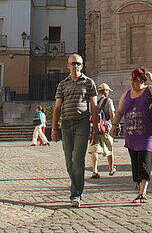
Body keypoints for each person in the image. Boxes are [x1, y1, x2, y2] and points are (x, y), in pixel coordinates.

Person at [110, 66, 152, 204]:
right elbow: (119, 112)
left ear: (142, 80)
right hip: (131, 135)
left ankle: (143, 192)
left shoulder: (149, 91)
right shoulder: (126, 94)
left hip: (147, 135)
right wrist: (115, 125)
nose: (132, 83)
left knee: (144, 162)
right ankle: (139, 183)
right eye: (131, 80)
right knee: (135, 164)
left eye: (135, 80)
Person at [52, 53, 99, 208]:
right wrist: (54, 128)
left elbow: (94, 107)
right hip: (66, 124)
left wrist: (95, 131)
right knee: (69, 162)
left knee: (78, 160)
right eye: (72, 63)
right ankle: (76, 185)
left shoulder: (89, 83)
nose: (75, 66)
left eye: (78, 63)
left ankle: (76, 194)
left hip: (82, 124)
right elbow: (57, 107)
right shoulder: (62, 84)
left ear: (82, 66)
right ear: (68, 66)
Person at [90, 83, 116, 178]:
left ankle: (94, 170)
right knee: (109, 149)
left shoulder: (92, 100)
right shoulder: (108, 101)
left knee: (94, 149)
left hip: (94, 129)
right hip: (105, 128)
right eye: (108, 91)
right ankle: (111, 168)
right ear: (105, 91)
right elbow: (112, 114)